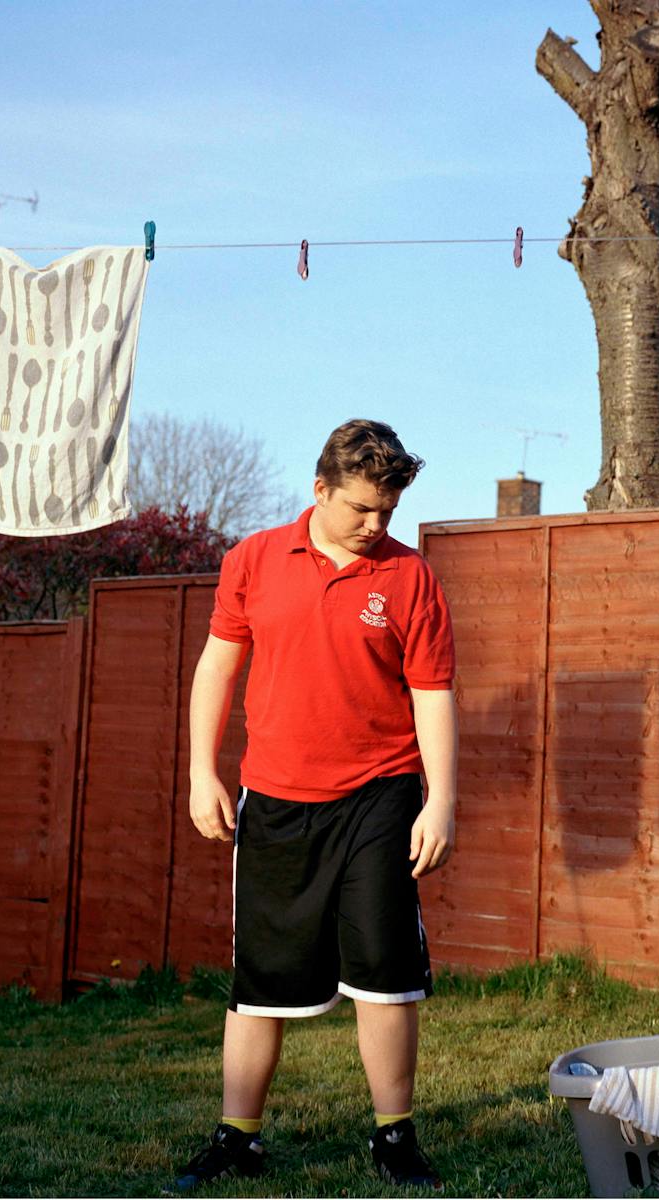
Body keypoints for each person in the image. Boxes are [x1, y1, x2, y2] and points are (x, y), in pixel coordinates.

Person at [171, 419, 457, 1192]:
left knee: (385, 972)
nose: (375, 526)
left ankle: (394, 1136)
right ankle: (238, 1138)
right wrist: (202, 771)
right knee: (261, 978)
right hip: (275, 799)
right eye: (361, 510)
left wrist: (441, 800)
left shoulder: (411, 578)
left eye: (387, 513)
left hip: (380, 797)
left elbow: (432, 694)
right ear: (319, 489)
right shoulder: (254, 560)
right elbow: (216, 669)